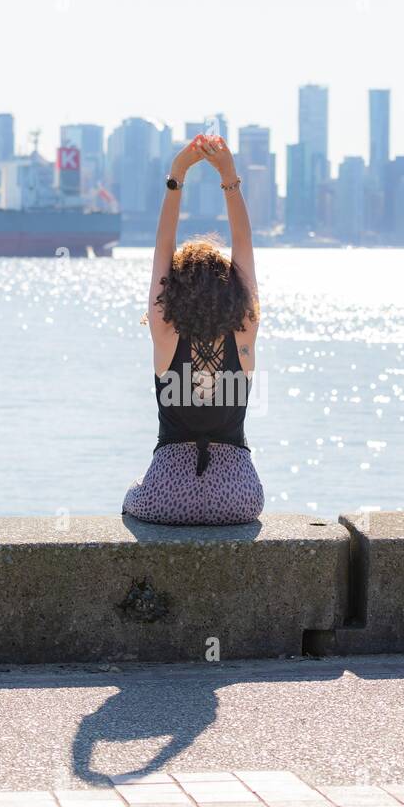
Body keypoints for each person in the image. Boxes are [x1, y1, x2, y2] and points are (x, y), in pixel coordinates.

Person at [122, 134, 264, 526]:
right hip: (237, 496)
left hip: (165, 494)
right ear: (232, 289)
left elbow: (162, 248)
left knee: (130, 497)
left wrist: (177, 174)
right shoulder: (245, 328)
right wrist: (229, 177)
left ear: (175, 289)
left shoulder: (166, 331)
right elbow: (244, 243)